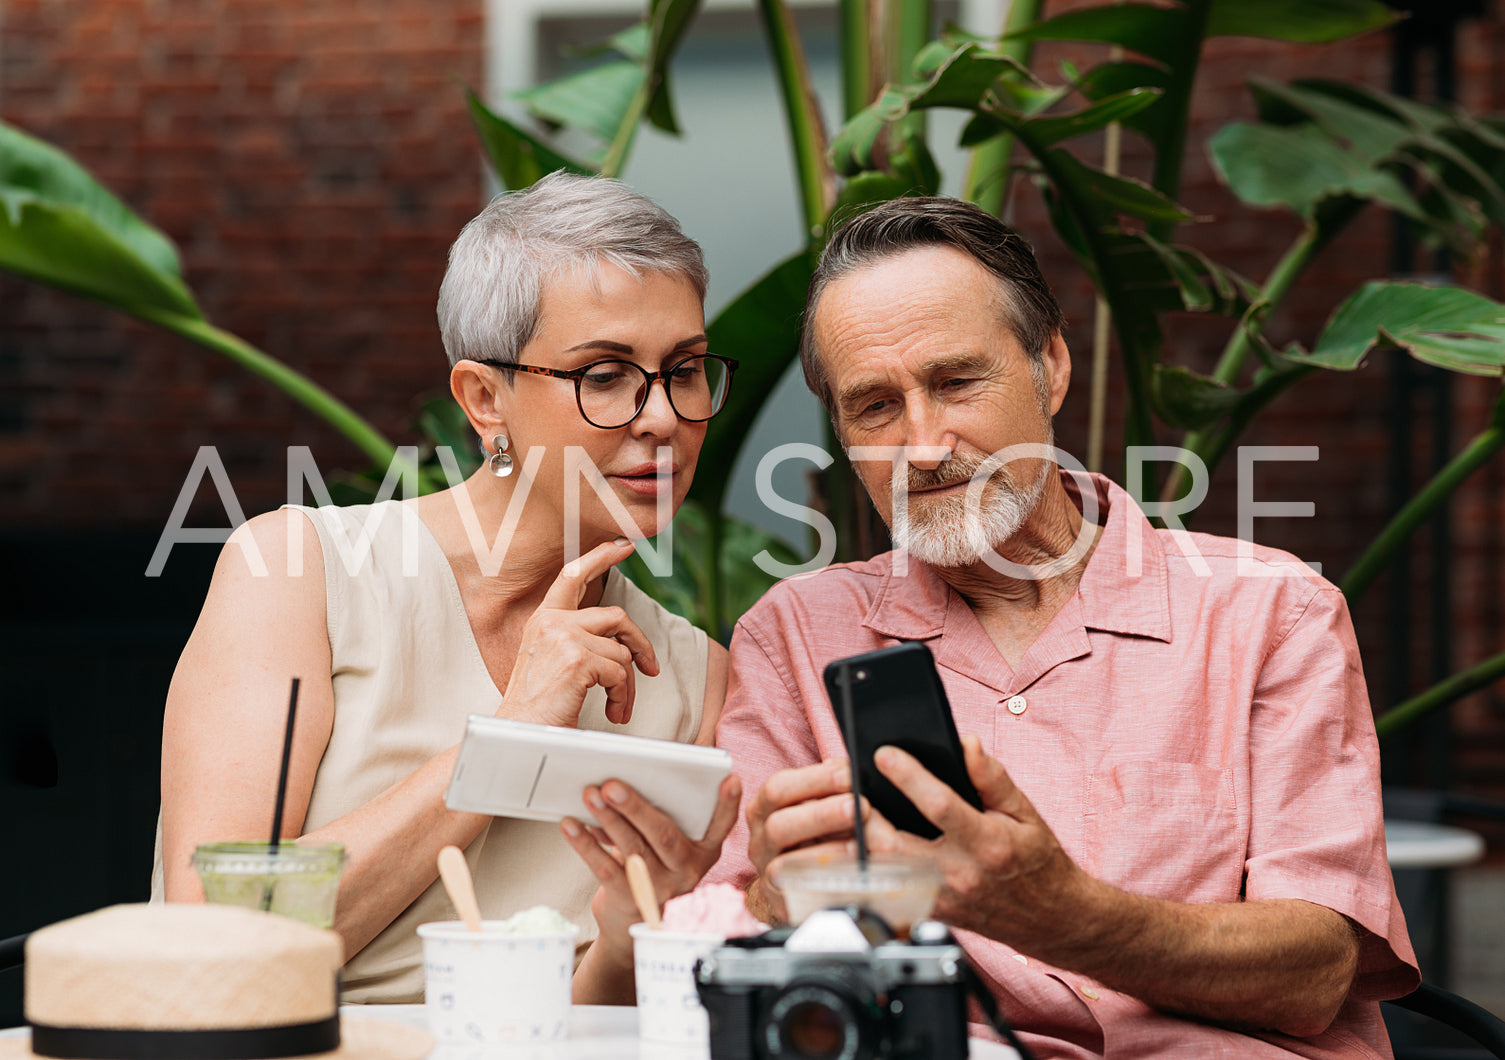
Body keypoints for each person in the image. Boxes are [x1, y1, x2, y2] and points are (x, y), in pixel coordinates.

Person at [706, 197, 1418, 1058]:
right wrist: (778, 902)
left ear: (1049, 367)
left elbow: (1316, 973)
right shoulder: (796, 635)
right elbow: (726, 942)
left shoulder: (1270, 611)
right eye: (874, 407)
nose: (922, 445)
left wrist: (1061, 915)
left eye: (955, 382)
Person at [153, 172, 742, 1005]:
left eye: (683, 370)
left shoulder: (691, 679)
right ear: (482, 399)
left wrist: (626, 940)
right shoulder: (297, 574)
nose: (662, 417)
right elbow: (210, 950)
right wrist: (507, 740)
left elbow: (590, 1022)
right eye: (604, 375)